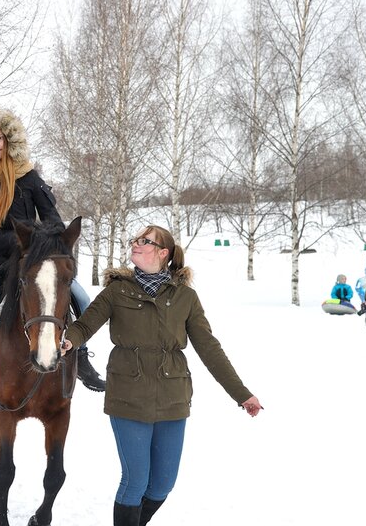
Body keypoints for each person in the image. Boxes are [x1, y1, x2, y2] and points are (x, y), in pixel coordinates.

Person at [61, 224, 263, 526]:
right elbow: (84, 325)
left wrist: (241, 393)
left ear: (162, 252)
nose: (135, 244)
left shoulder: (185, 297)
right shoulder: (117, 291)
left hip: (172, 397)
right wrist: (69, 340)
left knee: (162, 484)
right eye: (135, 240)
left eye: (144, 241)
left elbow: (209, 348)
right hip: (128, 394)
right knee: (135, 481)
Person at [0, 108, 106, 412]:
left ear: (10, 141)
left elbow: (53, 219)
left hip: (29, 259)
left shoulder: (29, 177)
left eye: (0, 138)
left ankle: (80, 356)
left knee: (80, 295)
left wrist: (41, 239)